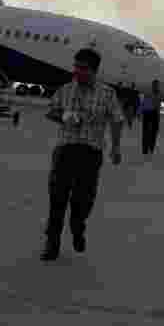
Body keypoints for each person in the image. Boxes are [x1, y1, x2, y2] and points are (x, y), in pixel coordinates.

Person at [41, 47, 124, 262]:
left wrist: (115, 147)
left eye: (83, 68)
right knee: (57, 197)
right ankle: (52, 242)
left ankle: (78, 227)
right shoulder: (65, 90)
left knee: (83, 199)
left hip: (90, 153)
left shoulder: (107, 93)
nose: (77, 71)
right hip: (65, 149)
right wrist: (64, 117)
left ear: (94, 71)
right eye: (76, 66)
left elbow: (117, 119)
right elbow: (51, 112)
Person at [140, 79, 163, 155]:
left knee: (154, 131)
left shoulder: (159, 93)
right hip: (148, 112)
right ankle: (145, 149)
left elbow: (161, 102)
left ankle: (151, 148)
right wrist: (141, 111)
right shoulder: (149, 93)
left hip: (155, 113)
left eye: (157, 85)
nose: (157, 86)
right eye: (155, 85)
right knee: (146, 131)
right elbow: (144, 103)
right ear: (153, 85)